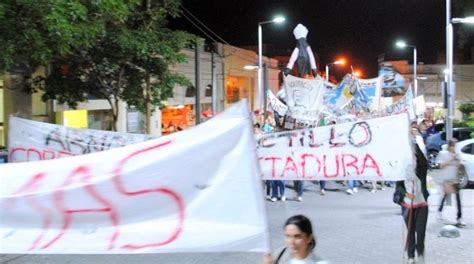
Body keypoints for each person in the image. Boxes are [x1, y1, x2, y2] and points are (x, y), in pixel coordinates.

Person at [396, 142, 429, 264]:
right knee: (410, 232)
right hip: (407, 205)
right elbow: (398, 188)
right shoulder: (401, 170)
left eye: (414, 156)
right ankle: (411, 257)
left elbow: (424, 162)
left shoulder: (421, 168)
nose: (413, 158)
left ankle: (420, 254)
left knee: (420, 232)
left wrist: (413, 144)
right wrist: (405, 194)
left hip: (422, 204)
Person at [262, 215, 328, 264]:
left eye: (297, 237)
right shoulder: (277, 257)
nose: (291, 242)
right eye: (288, 236)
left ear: (309, 238)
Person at [437, 140, 466, 226]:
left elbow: (460, 166)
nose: (454, 147)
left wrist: (460, 162)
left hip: (455, 179)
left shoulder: (457, 154)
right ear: (449, 146)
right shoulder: (443, 154)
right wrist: (451, 159)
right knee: (445, 196)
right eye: (453, 146)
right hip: (446, 179)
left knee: (458, 198)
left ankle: (459, 217)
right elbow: (441, 165)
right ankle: (439, 210)